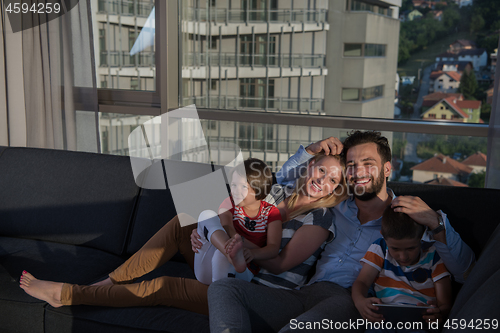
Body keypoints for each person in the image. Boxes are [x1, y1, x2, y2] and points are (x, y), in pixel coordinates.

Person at [207, 131, 475, 333]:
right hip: (302, 293)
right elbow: (282, 182)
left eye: (368, 163)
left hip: (348, 301)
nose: (358, 172)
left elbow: (465, 271)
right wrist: (310, 152)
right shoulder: (333, 204)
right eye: (351, 165)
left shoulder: (405, 219)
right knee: (223, 290)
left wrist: (437, 224)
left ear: (387, 168)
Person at [19, 152, 346, 316]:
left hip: (252, 293)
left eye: (333, 179)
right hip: (226, 264)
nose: (323, 181)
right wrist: (208, 238)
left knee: (164, 286)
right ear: (310, 166)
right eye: (321, 169)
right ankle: (111, 281)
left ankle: (68, 295)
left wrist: (228, 241)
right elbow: (234, 213)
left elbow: (277, 263)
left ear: (337, 189)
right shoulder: (277, 195)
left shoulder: (320, 217)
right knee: (184, 220)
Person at [352, 205, 452, 332]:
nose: (403, 256)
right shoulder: (380, 248)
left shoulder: (434, 255)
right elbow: (362, 282)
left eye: (411, 248)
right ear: (383, 235)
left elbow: (445, 304)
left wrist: (438, 314)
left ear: (422, 236)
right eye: (395, 249)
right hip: (383, 320)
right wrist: (359, 301)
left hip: (419, 324)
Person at [194, 158, 282, 285]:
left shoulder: (271, 212)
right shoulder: (229, 202)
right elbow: (226, 226)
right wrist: (236, 242)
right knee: (206, 215)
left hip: (242, 272)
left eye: (243, 187)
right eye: (234, 185)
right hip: (206, 267)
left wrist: (252, 253)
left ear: (259, 189)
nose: (235, 191)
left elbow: (273, 248)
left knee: (222, 254)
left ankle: (222, 285)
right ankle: (231, 256)